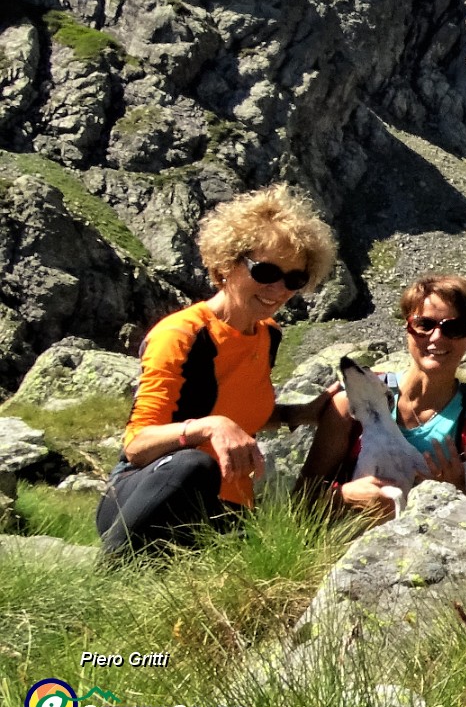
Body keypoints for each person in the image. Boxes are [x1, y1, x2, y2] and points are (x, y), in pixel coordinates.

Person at [97, 183, 339, 555]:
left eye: (295, 279)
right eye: (266, 271)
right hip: (149, 498)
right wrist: (208, 427)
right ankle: (111, 573)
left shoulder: (267, 335)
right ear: (225, 265)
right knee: (193, 466)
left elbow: (237, 409)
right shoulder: (182, 335)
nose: (279, 289)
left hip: (227, 507)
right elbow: (136, 447)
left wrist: (300, 413)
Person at [296, 274, 466, 517]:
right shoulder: (352, 404)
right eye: (424, 325)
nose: (437, 337)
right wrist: (343, 497)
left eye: (454, 328)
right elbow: (301, 502)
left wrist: (458, 493)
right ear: (407, 327)